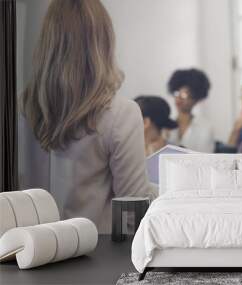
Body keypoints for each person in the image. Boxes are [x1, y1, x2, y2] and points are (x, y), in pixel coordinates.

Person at [20, 0, 151, 233]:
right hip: (94, 258)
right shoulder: (121, 114)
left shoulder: (21, 107)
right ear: (103, 42)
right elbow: (133, 217)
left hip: (28, 252)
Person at [167, 68, 214, 153]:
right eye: (177, 93)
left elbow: (206, 158)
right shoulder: (165, 125)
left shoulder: (205, 127)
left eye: (184, 95)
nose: (179, 98)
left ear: (196, 99)